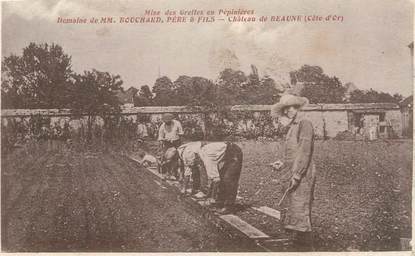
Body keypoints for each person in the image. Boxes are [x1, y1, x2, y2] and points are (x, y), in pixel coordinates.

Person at [271, 94, 317, 251]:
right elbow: (293, 152)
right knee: (292, 206)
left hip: (302, 173)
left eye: (287, 109)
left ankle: (305, 246)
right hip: (292, 170)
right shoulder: (294, 126)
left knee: (300, 206)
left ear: (294, 108)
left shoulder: (305, 124)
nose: (286, 113)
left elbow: (304, 152)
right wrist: (282, 163)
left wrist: (297, 174)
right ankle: (297, 242)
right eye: (284, 110)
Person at [161, 141, 243, 214]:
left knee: (228, 179)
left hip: (234, 152)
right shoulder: (196, 154)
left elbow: (216, 180)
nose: (196, 166)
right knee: (221, 178)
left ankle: (228, 206)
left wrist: (211, 197)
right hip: (225, 151)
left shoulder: (206, 158)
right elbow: (213, 178)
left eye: (195, 163)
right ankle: (219, 202)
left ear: (195, 158)